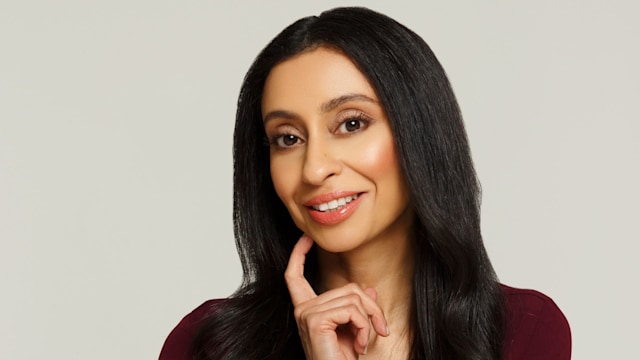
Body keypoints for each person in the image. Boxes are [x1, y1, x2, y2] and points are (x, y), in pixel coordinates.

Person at [160, 6, 571, 360]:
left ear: (419, 134)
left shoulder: (523, 332)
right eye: (288, 138)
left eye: (351, 123)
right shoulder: (209, 346)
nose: (314, 169)